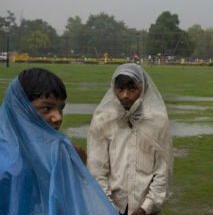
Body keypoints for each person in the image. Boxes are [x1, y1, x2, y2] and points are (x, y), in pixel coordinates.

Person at [0, 67, 118, 215]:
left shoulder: (64, 152)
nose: (58, 117)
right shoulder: (5, 157)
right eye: (46, 108)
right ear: (21, 109)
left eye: (60, 108)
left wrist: (76, 168)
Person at [87, 63, 173, 215]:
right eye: (120, 89)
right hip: (110, 207)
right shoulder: (103, 121)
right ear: (114, 90)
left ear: (144, 90)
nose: (125, 95)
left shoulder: (157, 121)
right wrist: (110, 209)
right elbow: (97, 170)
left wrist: (145, 207)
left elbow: (162, 170)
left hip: (146, 209)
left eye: (132, 89)